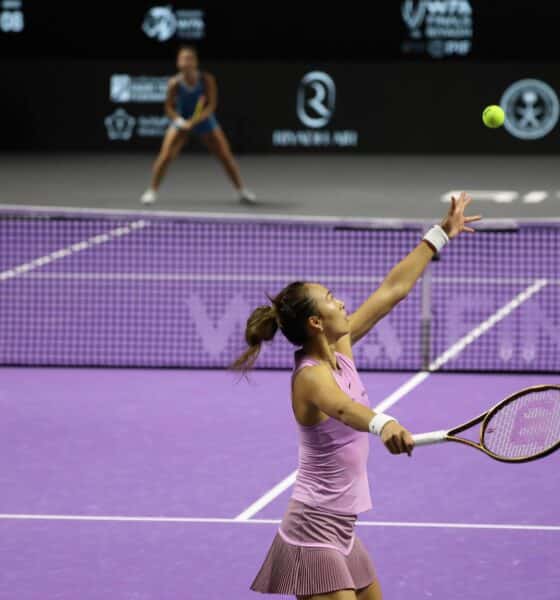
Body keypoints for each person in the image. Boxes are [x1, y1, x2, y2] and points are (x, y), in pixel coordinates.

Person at [234, 193, 480, 599]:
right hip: (312, 531)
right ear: (316, 322)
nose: (342, 301)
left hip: (343, 529)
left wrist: (440, 234)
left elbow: (391, 291)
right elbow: (346, 409)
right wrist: (384, 424)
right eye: (331, 299)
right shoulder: (310, 379)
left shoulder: (340, 352)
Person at [140, 46, 255, 205]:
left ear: (195, 62)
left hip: (205, 121)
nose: (185, 62)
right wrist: (181, 121)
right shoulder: (174, 83)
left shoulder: (206, 79)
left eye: (188, 58)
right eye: (182, 59)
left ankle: (242, 190)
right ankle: (151, 191)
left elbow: (211, 105)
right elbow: (168, 108)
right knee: (165, 156)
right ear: (178, 63)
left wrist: (196, 121)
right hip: (182, 121)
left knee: (225, 157)